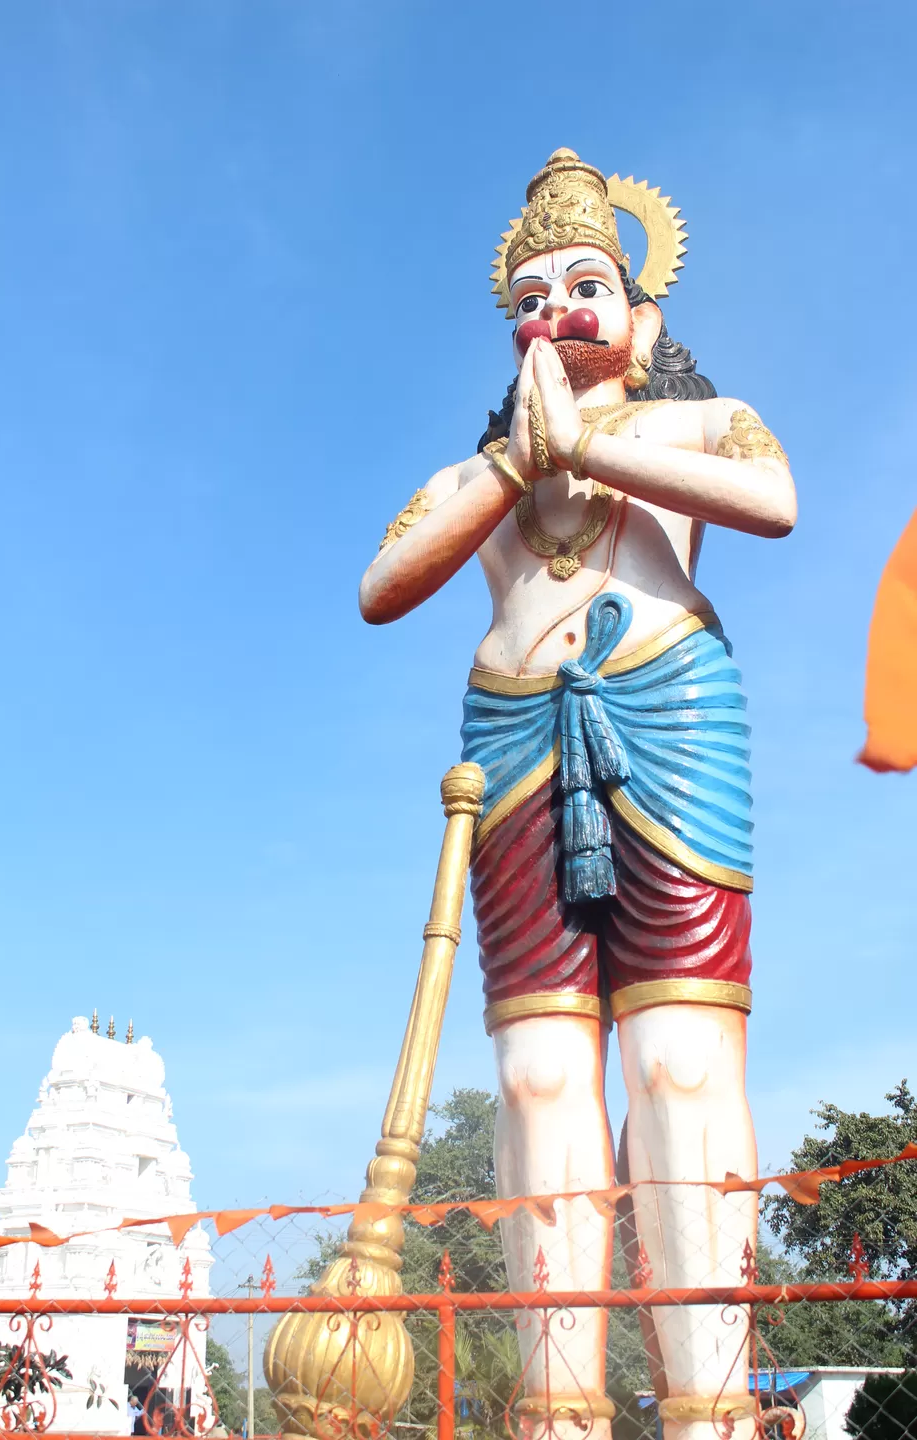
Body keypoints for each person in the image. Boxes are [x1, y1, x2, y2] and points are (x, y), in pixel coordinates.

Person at [360, 149, 796, 1440]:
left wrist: (596, 440)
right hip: (511, 746)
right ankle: (558, 1409)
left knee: (677, 1061)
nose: (558, 312)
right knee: (540, 1077)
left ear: (642, 318)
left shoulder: (698, 426)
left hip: (670, 721)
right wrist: (517, 463)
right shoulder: (476, 478)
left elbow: (776, 501)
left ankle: (710, 1408)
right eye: (532, 298)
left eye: (587, 285)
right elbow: (381, 587)